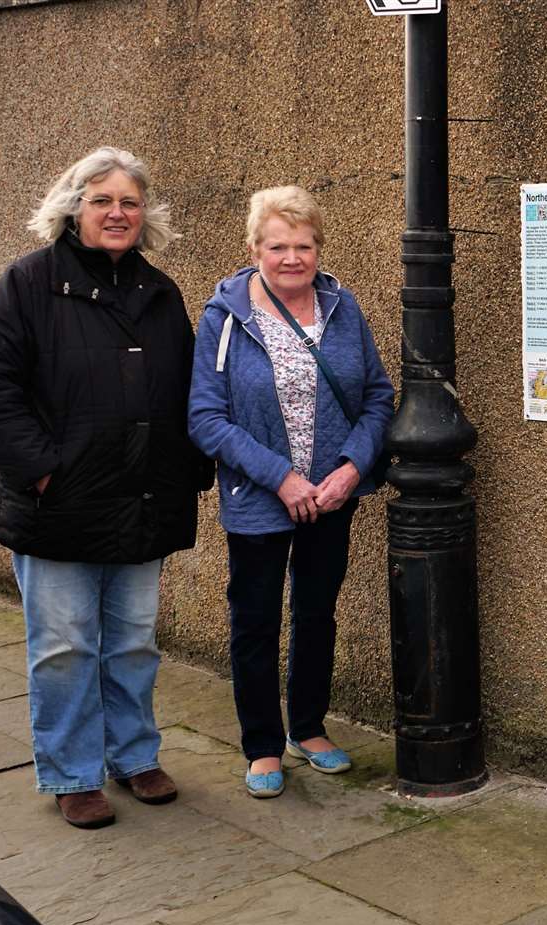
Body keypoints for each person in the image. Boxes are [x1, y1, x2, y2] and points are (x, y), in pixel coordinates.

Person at [0, 147, 210, 829]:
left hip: (142, 501)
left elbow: (186, 392)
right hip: (59, 505)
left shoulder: (160, 293)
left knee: (132, 641)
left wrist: (189, 471)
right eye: (102, 200)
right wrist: (45, 471)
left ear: (145, 213)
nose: (117, 213)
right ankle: (72, 771)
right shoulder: (27, 284)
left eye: (129, 201)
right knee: (66, 644)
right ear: (73, 208)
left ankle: (133, 756)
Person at [188, 186, 393, 799]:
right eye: (277, 245)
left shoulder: (342, 308)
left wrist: (352, 469)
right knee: (254, 621)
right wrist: (280, 476)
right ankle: (261, 746)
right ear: (254, 248)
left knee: (316, 613)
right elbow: (205, 416)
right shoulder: (224, 318)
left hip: (331, 497)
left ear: (318, 248)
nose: (291, 257)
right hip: (260, 497)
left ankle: (308, 726)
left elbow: (378, 397)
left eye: (303, 245)